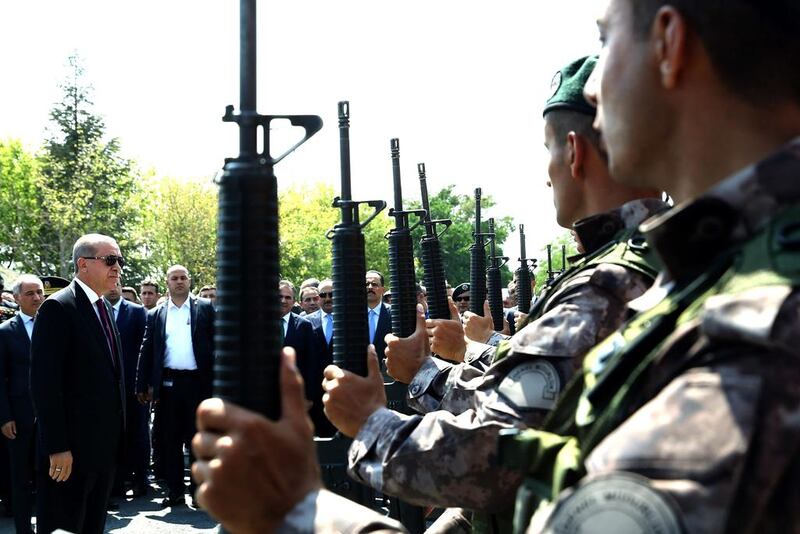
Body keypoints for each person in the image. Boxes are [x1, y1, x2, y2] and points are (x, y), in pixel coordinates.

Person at [30, 234, 126, 534]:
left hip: (103, 450)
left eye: (120, 260)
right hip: (70, 455)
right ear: (83, 264)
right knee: (65, 527)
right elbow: (45, 384)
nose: (118, 268)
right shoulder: (58, 308)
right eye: (110, 260)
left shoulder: (103, 308)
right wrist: (57, 446)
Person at [136, 265, 215, 508]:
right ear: (167, 282)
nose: (179, 282)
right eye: (174, 278)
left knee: (198, 440)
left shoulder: (205, 308)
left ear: (189, 281)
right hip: (168, 386)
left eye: (183, 278)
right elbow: (147, 350)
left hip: (198, 384)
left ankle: (199, 492)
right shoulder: (157, 314)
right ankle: (175, 491)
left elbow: (218, 344)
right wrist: (142, 384)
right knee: (170, 440)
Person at [0, 275, 43, 534]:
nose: (37, 298)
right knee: (20, 479)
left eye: (39, 292)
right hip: (18, 418)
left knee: (52, 477)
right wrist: (4, 417)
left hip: (51, 417)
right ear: (16, 299)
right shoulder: (5, 332)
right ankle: (24, 529)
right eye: (30, 294)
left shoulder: (54, 325)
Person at [105, 281, 149, 498]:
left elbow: (145, 349)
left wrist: (144, 383)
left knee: (138, 433)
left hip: (133, 387)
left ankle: (141, 480)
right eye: (109, 284)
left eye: (117, 284)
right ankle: (115, 484)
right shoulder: (96, 311)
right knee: (111, 437)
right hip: (106, 389)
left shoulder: (137, 312)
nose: (113, 288)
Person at [279, 280, 325, 434]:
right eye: (279, 296)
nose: (283, 300)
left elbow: (312, 364)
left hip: (296, 395)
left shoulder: (303, 325)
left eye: (287, 297)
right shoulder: (259, 323)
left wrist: (309, 396)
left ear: (294, 302)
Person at [366, 270, 391, 361]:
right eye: (366, 284)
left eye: (374, 284)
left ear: (382, 290)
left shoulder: (393, 314)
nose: (370, 287)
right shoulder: (353, 316)